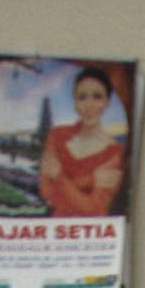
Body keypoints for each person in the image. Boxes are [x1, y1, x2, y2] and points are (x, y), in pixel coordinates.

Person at [41, 66, 131, 221]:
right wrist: (91, 181)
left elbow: (94, 209)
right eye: (82, 97)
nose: (89, 105)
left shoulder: (115, 152)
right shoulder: (57, 135)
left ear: (107, 102)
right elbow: (46, 192)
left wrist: (58, 176)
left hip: (93, 235)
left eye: (97, 96)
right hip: (56, 229)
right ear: (75, 102)